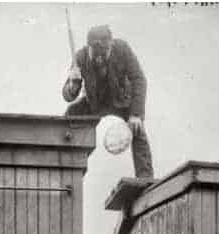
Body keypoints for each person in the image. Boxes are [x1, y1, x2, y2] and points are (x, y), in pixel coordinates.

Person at [63, 25, 155, 178]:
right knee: (71, 115)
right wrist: (72, 85)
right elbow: (69, 95)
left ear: (111, 45)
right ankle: (69, 170)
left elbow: (139, 79)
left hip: (121, 101)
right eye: (95, 54)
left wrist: (136, 114)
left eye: (103, 53)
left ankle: (145, 177)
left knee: (137, 129)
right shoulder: (80, 57)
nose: (99, 59)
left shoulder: (122, 49)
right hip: (95, 103)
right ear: (88, 48)